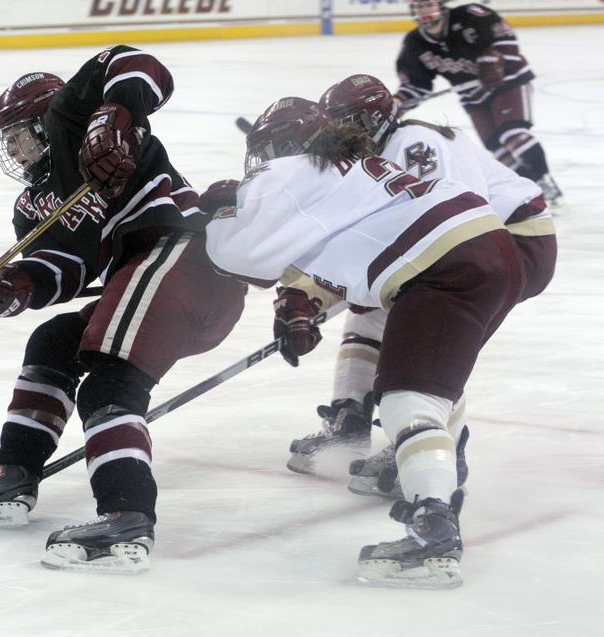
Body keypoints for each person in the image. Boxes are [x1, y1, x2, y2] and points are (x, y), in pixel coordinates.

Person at [0, 45, 246, 573]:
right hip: (151, 282)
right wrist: (6, 290)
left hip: (182, 260)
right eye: (5, 141)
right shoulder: (34, 203)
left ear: (43, 120)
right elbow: (64, 269)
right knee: (54, 342)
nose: (15, 150)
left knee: (109, 380)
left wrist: (114, 117)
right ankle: (14, 474)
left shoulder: (74, 123)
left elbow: (136, 61)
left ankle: (126, 517)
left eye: (19, 135)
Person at [202, 96, 526, 588]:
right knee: (429, 384)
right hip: (486, 247)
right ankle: (437, 479)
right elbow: (339, 246)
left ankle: (434, 527)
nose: (264, 160)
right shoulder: (354, 163)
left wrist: (222, 210)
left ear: (290, 144)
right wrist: (300, 306)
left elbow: (242, 260)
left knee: (408, 399)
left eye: (269, 148)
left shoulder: (293, 170)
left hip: (440, 264)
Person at [285, 74, 557, 499]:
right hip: (475, 246)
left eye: (350, 123)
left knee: (433, 332)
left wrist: (312, 290)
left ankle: (440, 444)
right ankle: (349, 420)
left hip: (513, 242)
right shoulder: (372, 155)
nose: (341, 134)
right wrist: (309, 291)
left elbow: (457, 222)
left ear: (376, 119)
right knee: (375, 312)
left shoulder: (416, 144)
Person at [395, 1, 563, 206]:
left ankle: (547, 183)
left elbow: (506, 42)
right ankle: (532, 190)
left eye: (428, 4)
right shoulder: (414, 43)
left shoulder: (472, 15)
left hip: (508, 81)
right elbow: (415, 86)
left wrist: (495, 60)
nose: (424, 11)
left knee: (513, 134)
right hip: (471, 93)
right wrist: (396, 104)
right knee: (498, 149)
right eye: (419, 7)